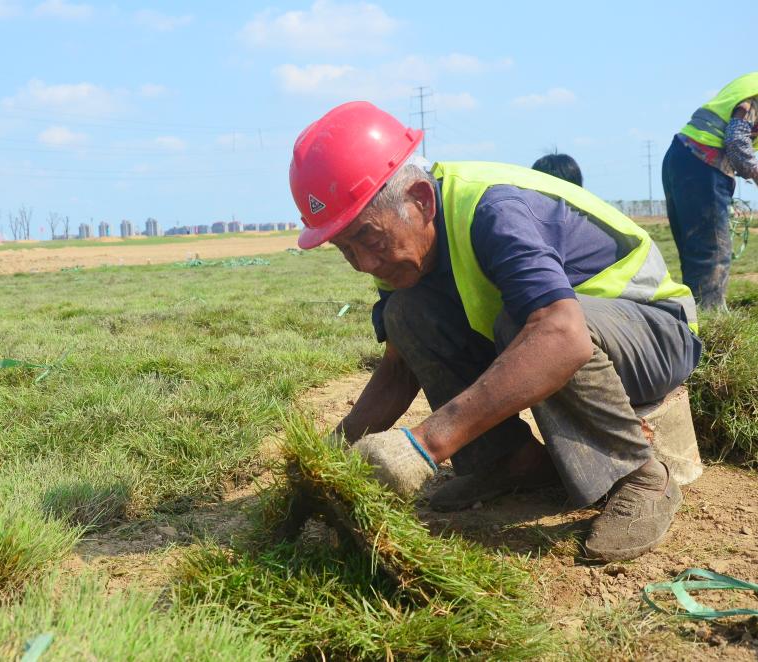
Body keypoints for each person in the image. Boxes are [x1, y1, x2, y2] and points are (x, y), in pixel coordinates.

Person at [289, 101, 701, 562]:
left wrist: (425, 443)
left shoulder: (494, 210)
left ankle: (641, 475)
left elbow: (562, 336)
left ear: (420, 199)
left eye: (369, 239)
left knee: (528, 325)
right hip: (574, 327)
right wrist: (326, 460)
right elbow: (398, 368)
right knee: (404, 314)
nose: (365, 263)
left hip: (654, 328)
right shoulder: (401, 244)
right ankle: (509, 462)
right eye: (346, 249)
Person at [662, 72, 758, 310]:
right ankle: (710, 324)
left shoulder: (749, 82)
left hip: (681, 157)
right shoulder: (754, 94)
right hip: (703, 166)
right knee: (712, 251)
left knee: (694, 250)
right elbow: (736, 141)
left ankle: (692, 319)